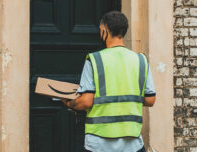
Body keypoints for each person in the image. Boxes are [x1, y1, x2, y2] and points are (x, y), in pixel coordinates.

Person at [61, 11, 156, 152]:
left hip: (99, 143)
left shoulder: (94, 60)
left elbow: (86, 101)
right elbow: (150, 100)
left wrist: (70, 103)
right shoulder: (140, 60)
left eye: (101, 30)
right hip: (132, 143)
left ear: (104, 30)